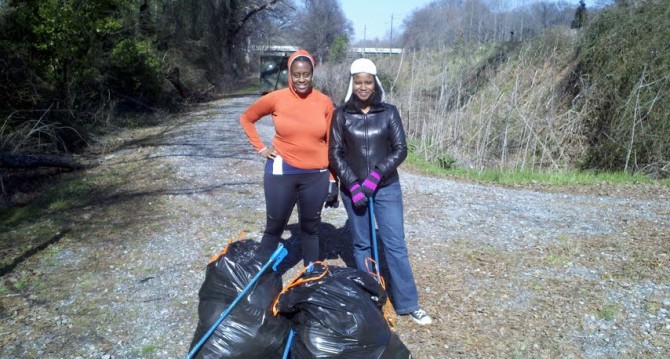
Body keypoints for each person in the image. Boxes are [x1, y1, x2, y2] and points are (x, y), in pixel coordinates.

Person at [328, 58, 432, 325]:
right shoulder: (341, 114)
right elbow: (335, 154)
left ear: (375, 83)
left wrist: (376, 175)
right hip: (354, 191)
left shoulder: (389, 112)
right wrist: (352, 184)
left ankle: (408, 304)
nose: (363, 87)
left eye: (368, 82)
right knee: (361, 244)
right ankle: (371, 298)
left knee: (395, 245)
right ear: (352, 84)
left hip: (386, 188)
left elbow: (401, 149)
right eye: (358, 82)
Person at [240, 49, 338, 266]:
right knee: (274, 227)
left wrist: (333, 179)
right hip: (281, 171)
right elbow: (246, 118)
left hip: (316, 175)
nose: (301, 79)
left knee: (311, 228)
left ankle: (310, 277)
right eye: (296, 75)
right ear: (289, 74)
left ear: (312, 74)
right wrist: (261, 148)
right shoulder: (276, 98)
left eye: (306, 75)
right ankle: (259, 280)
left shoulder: (325, 103)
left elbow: (332, 143)